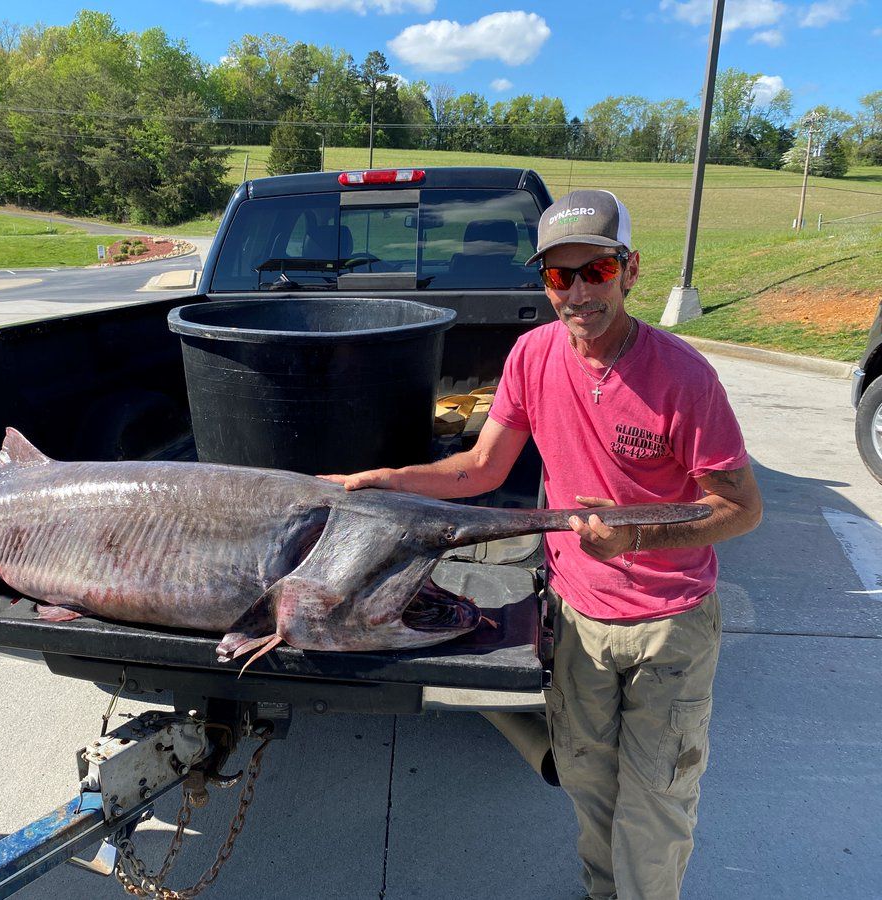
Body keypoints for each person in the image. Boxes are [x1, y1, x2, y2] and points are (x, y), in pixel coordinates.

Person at [324, 190, 762, 900]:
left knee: (655, 803)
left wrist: (637, 533)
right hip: (577, 615)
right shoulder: (531, 356)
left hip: (670, 623)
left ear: (630, 269)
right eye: (560, 276)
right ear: (543, 283)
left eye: (596, 269)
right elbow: (482, 469)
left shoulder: (684, 378)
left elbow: (741, 509)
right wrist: (389, 482)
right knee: (588, 780)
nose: (579, 291)